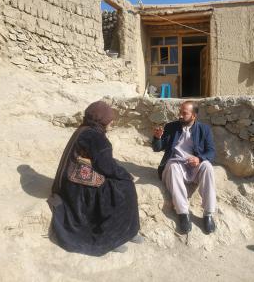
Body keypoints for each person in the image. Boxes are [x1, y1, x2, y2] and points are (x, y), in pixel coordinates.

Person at [48, 101, 141, 256]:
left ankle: (128, 232)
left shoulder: (84, 129)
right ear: (102, 120)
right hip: (77, 187)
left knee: (117, 183)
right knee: (123, 187)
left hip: (68, 181)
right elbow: (107, 167)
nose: (112, 122)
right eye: (110, 119)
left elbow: (99, 161)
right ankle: (115, 238)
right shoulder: (96, 137)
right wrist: (125, 174)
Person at [152, 101, 217, 234]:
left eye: (184, 113)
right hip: (174, 165)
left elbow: (211, 152)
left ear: (193, 116)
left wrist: (199, 159)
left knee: (208, 167)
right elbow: (157, 148)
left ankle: (208, 214)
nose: (180, 115)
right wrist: (157, 138)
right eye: (180, 112)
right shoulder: (171, 127)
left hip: (194, 166)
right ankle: (183, 213)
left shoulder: (204, 129)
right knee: (173, 165)